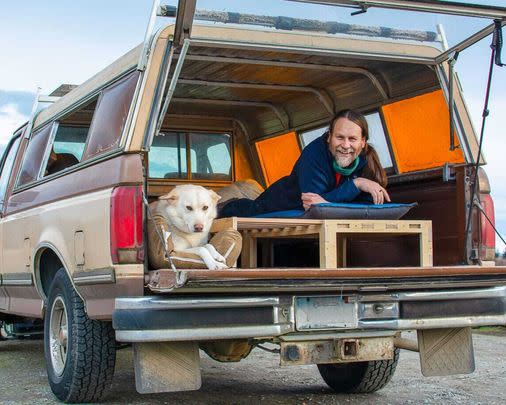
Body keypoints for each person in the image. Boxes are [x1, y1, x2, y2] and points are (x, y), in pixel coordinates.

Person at [219, 109, 390, 218]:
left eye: (352, 139)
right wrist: (356, 184)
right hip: (278, 201)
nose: (345, 145)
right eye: (340, 137)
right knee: (247, 210)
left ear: (363, 142)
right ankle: (223, 205)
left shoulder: (368, 161)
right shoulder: (314, 153)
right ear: (329, 136)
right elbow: (313, 205)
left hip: (305, 206)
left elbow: (368, 205)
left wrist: (333, 203)